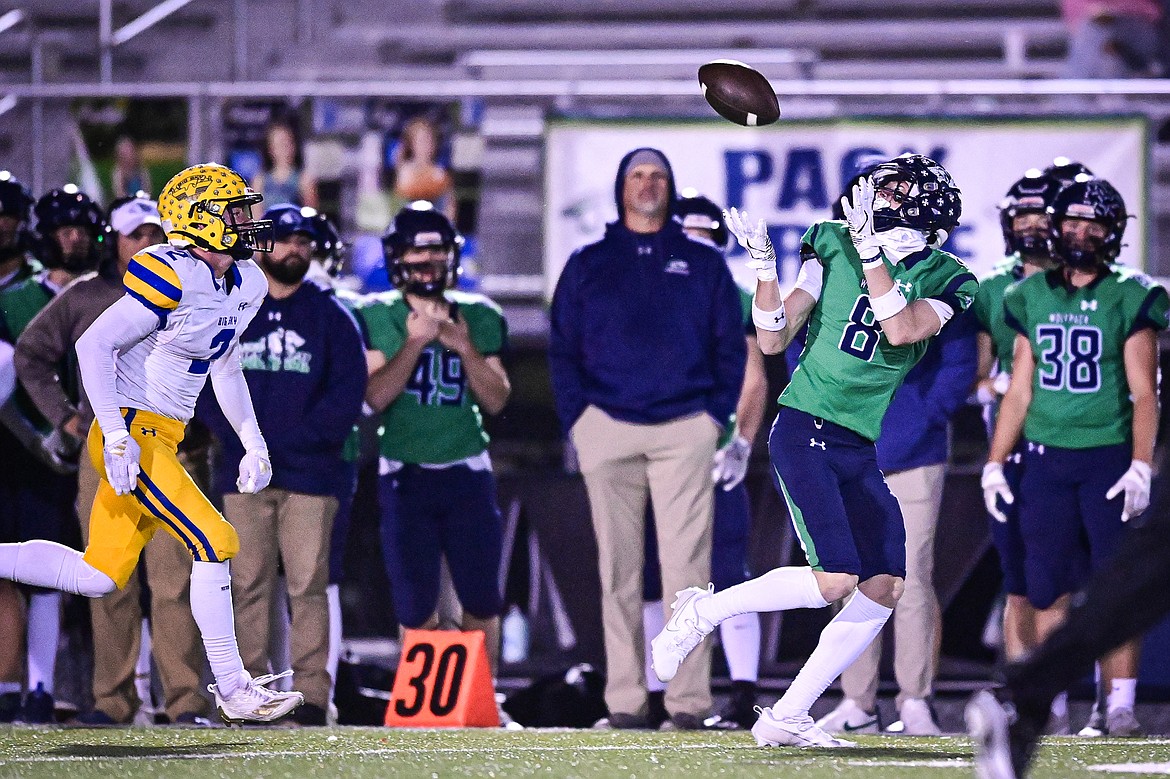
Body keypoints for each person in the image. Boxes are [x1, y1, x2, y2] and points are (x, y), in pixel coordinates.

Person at [651, 153, 976, 748]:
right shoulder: (831, 242)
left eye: (897, 189)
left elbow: (901, 328)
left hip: (859, 441)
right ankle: (702, 612)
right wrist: (765, 272)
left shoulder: (951, 276)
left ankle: (787, 714)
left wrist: (873, 257)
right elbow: (774, 338)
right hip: (805, 427)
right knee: (836, 580)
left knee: (884, 586)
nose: (881, 196)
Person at [0, 162, 307, 726]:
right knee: (216, 539)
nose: (248, 221)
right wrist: (115, 437)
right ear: (199, 220)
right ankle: (234, 687)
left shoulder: (248, 282)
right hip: (134, 431)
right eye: (234, 212)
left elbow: (226, 364)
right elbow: (94, 348)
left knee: (100, 574)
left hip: (163, 433)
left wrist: (251, 439)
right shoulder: (171, 271)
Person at [550, 148, 746, 730]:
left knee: (689, 573)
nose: (647, 184)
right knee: (618, 572)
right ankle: (627, 702)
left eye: (658, 174)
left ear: (671, 186)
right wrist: (578, 421)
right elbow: (562, 348)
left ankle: (687, 703)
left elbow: (731, 349)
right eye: (636, 174)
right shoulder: (588, 262)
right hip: (605, 427)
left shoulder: (704, 264)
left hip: (685, 426)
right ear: (620, 187)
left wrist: (713, 417)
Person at [14, 195, 212, 726]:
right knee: (108, 578)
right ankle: (113, 700)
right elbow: (32, 354)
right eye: (134, 236)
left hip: (176, 453)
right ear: (115, 241)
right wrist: (65, 417)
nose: (145, 244)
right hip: (110, 453)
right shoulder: (87, 296)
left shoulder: (195, 289)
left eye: (154, 234)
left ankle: (185, 700)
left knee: (175, 583)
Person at [980, 176, 1165, 740]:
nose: (1082, 233)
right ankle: (1051, 705)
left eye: (1094, 224)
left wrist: (1141, 463)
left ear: (1113, 233)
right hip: (1044, 463)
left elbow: (1145, 391)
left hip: (1106, 460)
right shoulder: (1026, 295)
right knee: (1045, 589)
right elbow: (1019, 389)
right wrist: (994, 460)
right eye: (1073, 222)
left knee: (1113, 588)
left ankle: (1120, 706)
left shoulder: (1132, 292)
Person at [198, 202, 366, 726]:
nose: (294, 248)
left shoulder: (332, 316)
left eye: (303, 241)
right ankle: (251, 695)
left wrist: (280, 446)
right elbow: (203, 383)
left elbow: (347, 395)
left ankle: (314, 697)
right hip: (244, 474)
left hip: (311, 475)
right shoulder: (231, 304)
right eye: (283, 239)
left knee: (307, 587)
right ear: (262, 244)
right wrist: (246, 445)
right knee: (245, 585)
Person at [360, 202, 510, 671]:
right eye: (417, 255)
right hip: (405, 471)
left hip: (468, 469)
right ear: (397, 258)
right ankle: (426, 704)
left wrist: (463, 346)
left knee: (482, 598)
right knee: (414, 602)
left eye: (436, 254)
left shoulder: (479, 315)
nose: (427, 265)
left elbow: (497, 399)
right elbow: (374, 398)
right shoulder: (376, 313)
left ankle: (483, 695)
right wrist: (416, 342)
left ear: (452, 256)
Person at [638, 193, 767, 730]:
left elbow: (753, 378)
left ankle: (742, 693)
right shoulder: (643, 296)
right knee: (651, 575)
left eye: (702, 236)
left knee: (726, 573)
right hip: (656, 455)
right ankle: (653, 695)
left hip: (713, 455)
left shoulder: (733, 297)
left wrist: (740, 442)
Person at [0, 185, 111, 723]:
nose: (74, 239)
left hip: (91, 453)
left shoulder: (108, 293)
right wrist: (51, 427)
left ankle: (44, 688)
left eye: (82, 229)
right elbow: (8, 376)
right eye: (63, 230)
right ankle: (15, 687)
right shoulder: (16, 299)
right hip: (20, 453)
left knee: (61, 574)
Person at [391, 116, 455, 223]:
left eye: (430, 140)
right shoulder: (404, 172)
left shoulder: (441, 174)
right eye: (421, 140)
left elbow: (450, 208)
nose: (426, 145)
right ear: (412, 144)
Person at [252, 121, 318, 210]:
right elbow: (256, 216)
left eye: (287, 143)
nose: (284, 149)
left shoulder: (305, 180)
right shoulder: (259, 181)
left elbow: (311, 215)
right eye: (278, 145)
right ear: (270, 149)